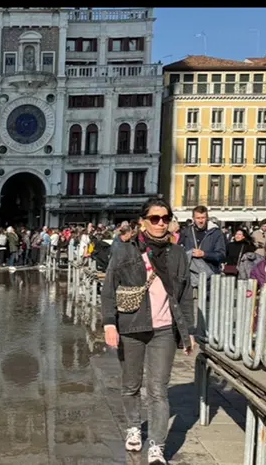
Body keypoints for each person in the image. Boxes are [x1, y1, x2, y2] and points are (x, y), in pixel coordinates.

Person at [101, 197, 195, 465]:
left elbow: (185, 294)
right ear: (143, 222)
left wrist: (188, 332)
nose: (161, 223)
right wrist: (109, 323)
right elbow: (109, 289)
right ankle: (133, 426)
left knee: (158, 390)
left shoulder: (177, 254)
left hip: (164, 329)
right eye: (155, 218)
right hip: (131, 327)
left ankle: (157, 446)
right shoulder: (125, 250)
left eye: (165, 218)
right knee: (131, 385)